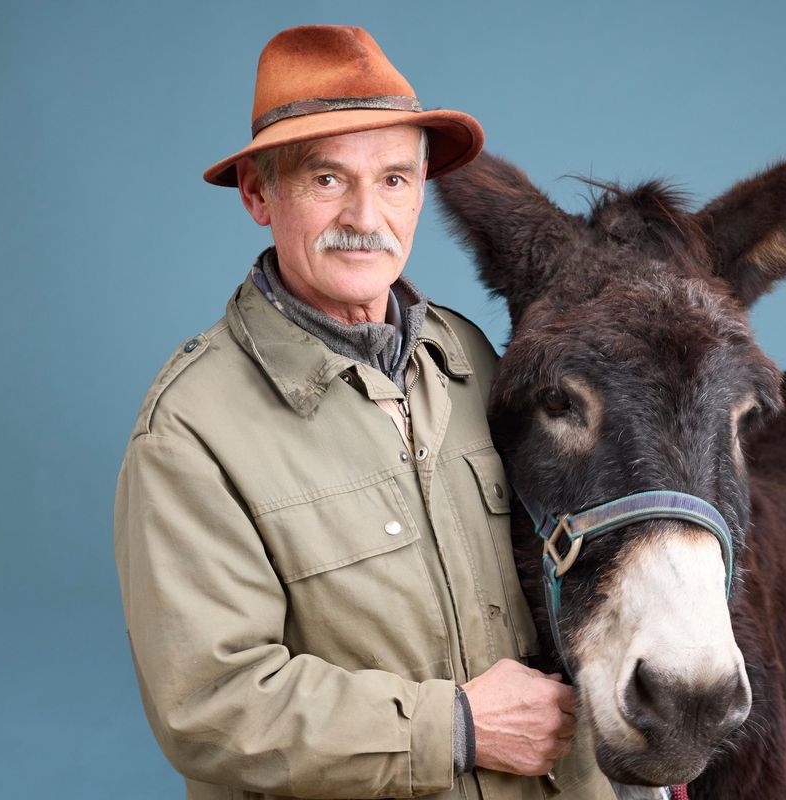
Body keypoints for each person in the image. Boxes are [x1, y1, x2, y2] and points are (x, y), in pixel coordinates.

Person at [114, 24, 612, 800]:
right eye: (325, 180)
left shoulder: (476, 361)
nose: (365, 217)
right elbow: (208, 707)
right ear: (257, 193)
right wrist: (455, 727)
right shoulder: (190, 431)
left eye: (393, 180)